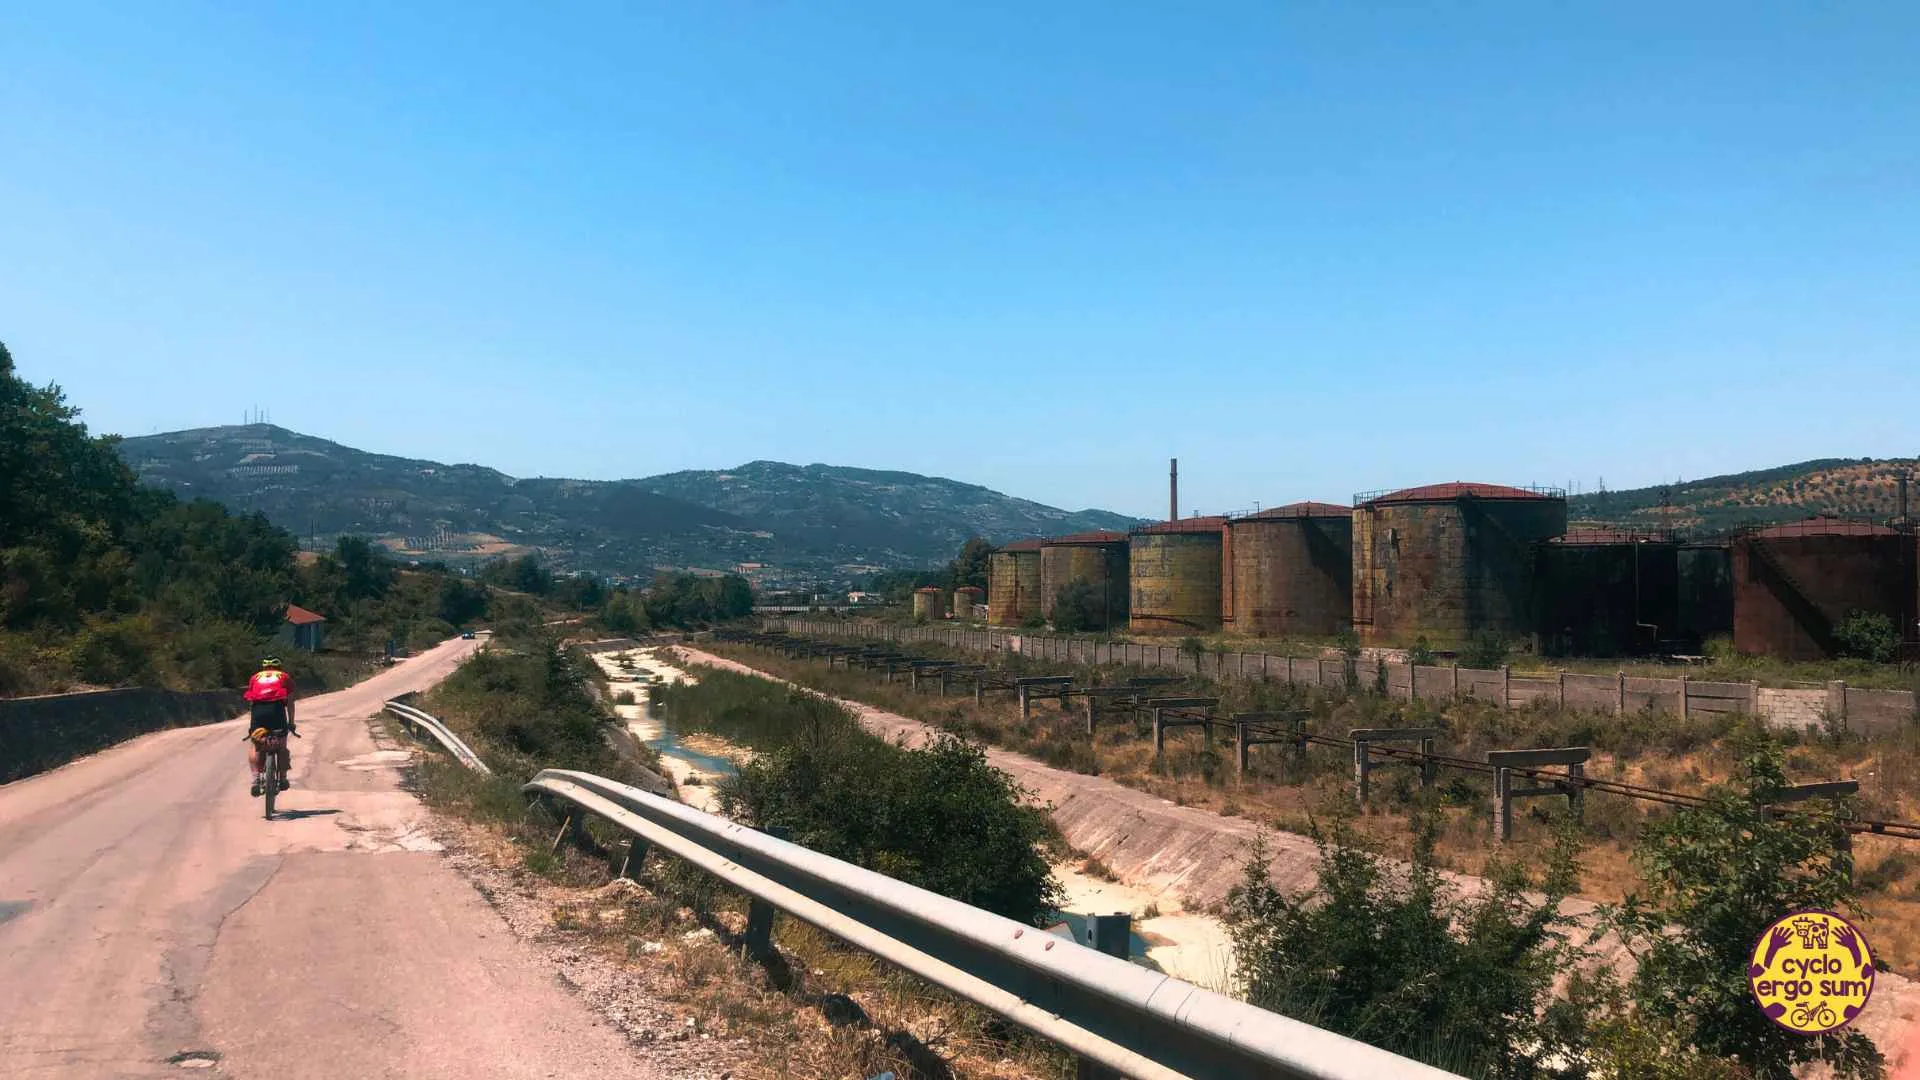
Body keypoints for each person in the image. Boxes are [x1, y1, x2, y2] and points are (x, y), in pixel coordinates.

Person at [243, 657, 297, 796]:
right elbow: (290, 702)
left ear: (263, 667)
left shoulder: (255, 677)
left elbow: (251, 701)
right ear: (279, 667)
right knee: (282, 745)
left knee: (255, 745)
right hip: (276, 710)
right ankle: (283, 779)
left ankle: (255, 780)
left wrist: (253, 723)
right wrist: (291, 723)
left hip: (258, 711)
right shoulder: (284, 676)